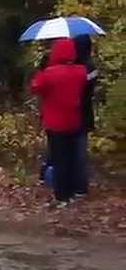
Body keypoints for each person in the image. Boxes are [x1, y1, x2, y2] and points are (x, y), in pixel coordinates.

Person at [30, 38, 87, 208]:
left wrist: (42, 69)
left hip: (55, 123)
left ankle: (61, 196)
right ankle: (71, 193)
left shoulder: (49, 74)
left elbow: (35, 88)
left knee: (59, 159)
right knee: (70, 158)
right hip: (74, 120)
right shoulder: (80, 71)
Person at [72, 34, 98, 197]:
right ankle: (79, 185)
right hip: (84, 113)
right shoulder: (89, 66)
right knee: (79, 151)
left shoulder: (86, 67)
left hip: (78, 112)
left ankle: (79, 185)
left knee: (76, 152)